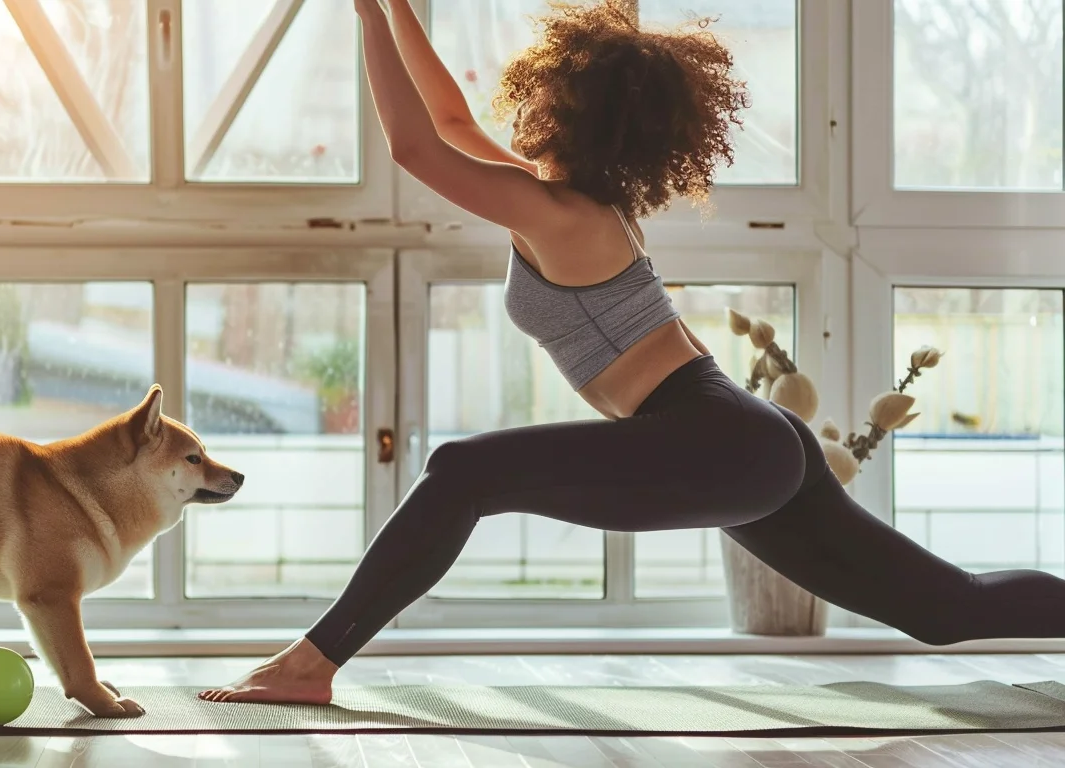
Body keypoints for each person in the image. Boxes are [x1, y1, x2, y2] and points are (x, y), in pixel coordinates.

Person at [198, 0, 1065, 706]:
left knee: (461, 470)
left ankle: (311, 663)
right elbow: (450, 119)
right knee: (946, 611)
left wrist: (361, 12)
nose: (523, 108)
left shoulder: (562, 214)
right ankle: (313, 663)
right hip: (744, 438)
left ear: (564, 107)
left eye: (540, 98)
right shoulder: (572, 202)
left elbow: (414, 144)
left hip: (719, 438)